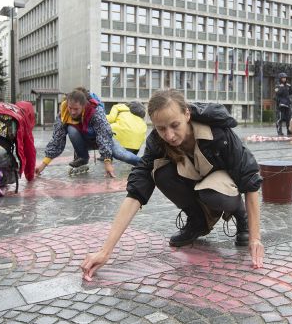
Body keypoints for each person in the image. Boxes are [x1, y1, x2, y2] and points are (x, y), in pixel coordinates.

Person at [81, 89, 264, 280]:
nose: (169, 135)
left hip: (222, 184)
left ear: (187, 114)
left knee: (213, 195)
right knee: (159, 173)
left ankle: (240, 215)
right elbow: (136, 192)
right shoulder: (157, 143)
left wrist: (255, 238)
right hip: (195, 179)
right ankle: (198, 221)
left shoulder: (218, 132)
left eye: (175, 125)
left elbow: (250, 179)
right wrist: (105, 251)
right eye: (161, 129)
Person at [34, 88, 140, 178]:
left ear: (84, 106)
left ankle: (147, 164)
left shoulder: (96, 111)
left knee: (124, 156)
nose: (72, 112)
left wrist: (107, 162)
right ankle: (82, 158)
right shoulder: (64, 113)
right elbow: (57, 139)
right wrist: (43, 165)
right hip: (83, 142)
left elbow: (103, 135)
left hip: (102, 141)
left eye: (76, 109)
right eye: (70, 108)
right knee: (71, 129)